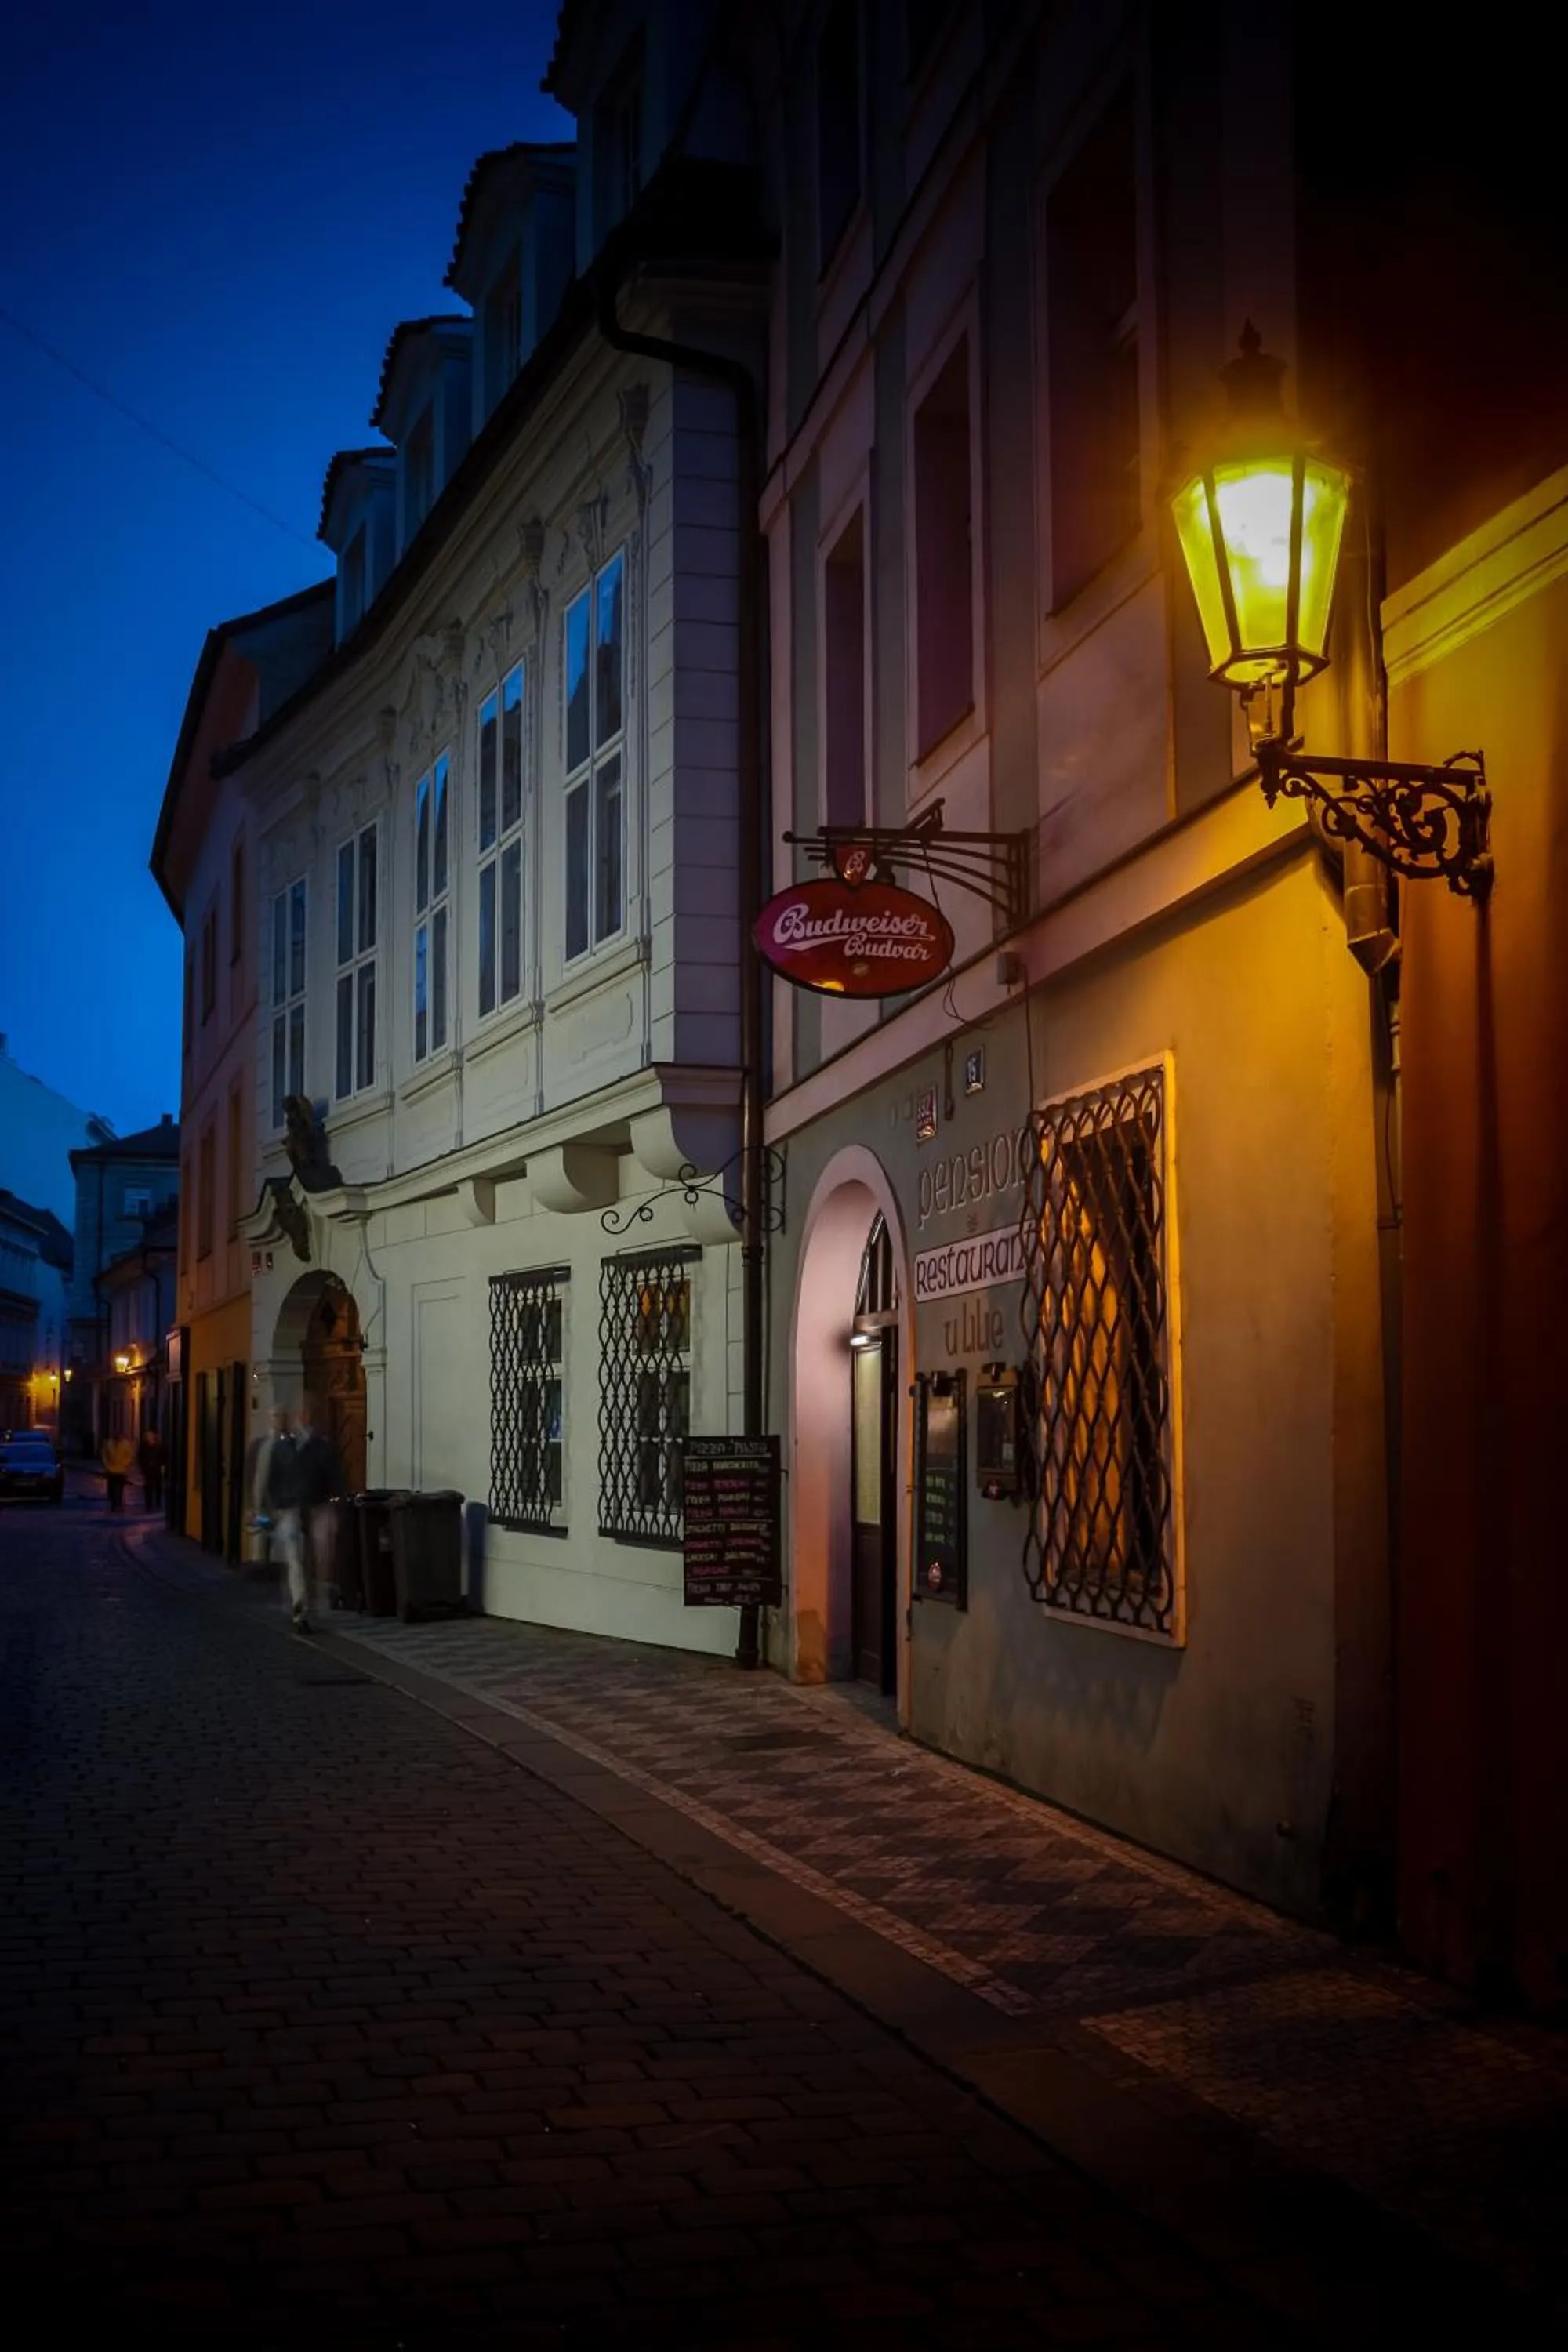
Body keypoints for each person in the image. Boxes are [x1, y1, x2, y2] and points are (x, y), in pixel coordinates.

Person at [256, 1404, 311, 1633]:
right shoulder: (269, 1447)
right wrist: (259, 1509)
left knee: (294, 1560)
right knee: (289, 1559)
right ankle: (294, 1604)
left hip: (293, 1510)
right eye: (276, 1416)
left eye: (282, 1416)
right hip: (278, 1511)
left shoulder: (293, 1444)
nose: (280, 1419)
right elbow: (261, 1480)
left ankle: (298, 1606)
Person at [292, 1399, 346, 1614]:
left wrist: (336, 1501)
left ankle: (319, 1596)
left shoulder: (321, 1446)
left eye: (308, 1414)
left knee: (322, 1554)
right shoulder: (291, 1444)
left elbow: (335, 1476)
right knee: (298, 1556)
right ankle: (301, 1598)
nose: (304, 1418)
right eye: (302, 1414)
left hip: (320, 1505)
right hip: (297, 1507)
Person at [101, 1431, 135, 1512]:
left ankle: (118, 1504)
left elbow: (130, 1455)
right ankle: (113, 1502)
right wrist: (107, 1465)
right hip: (111, 1469)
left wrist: (125, 1464)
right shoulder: (108, 1443)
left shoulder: (126, 1445)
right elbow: (104, 1455)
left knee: (120, 1488)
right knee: (111, 1487)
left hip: (121, 1469)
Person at [138, 1424, 165, 1513]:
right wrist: (143, 1468)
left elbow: (163, 1456)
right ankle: (149, 1505)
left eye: (150, 1435)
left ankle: (157, 1503)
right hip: (148, 1469)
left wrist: (162, 1466)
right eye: (147, 1436)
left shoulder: (159, 1445)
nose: (149, 1437)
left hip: (157, 1468)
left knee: (158, 1486)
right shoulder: (144, 1446)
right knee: (148, 1487)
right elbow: (141, 1457)